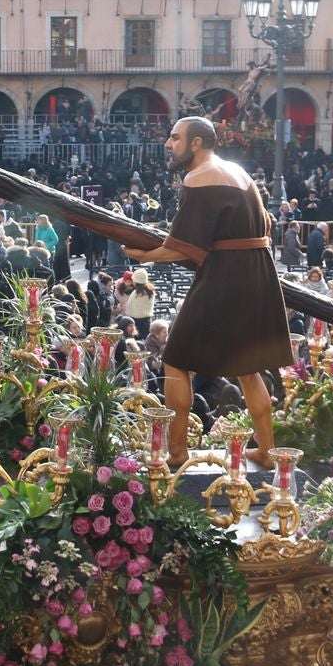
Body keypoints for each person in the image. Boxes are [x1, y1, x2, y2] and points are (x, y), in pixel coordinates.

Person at [124, 117, 291, 468]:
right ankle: (267, 451)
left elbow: (181, 247)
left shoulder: (198, 177)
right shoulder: (239, 172)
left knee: (176, 359)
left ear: (196, 143)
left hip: (226, 274)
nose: (169, 144)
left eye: (175, 137)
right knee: (249, 369)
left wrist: (144, 255)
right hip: (259, 271)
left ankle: (177, 453)